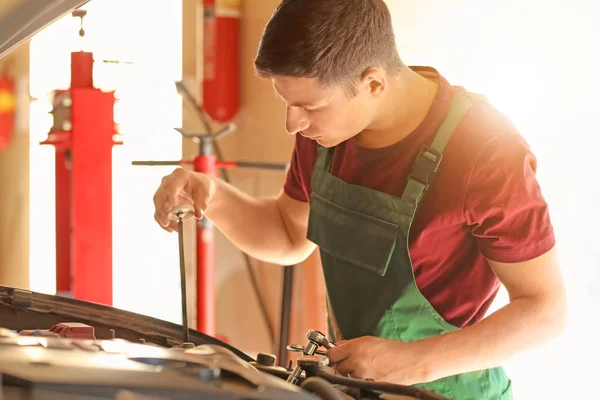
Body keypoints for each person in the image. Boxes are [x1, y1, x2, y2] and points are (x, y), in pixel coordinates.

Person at [152, 0, 566, 398]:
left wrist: (410, 364)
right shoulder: (324, 135)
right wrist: (213, 195)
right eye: (287, 103)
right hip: (359, 388)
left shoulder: (486, 151)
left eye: (308, 105)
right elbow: (288, 233)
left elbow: (544, 311)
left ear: (373, 83)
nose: (292, 123)